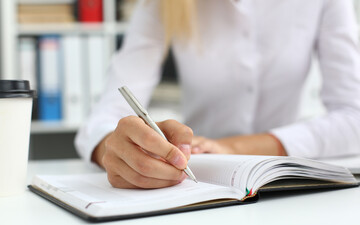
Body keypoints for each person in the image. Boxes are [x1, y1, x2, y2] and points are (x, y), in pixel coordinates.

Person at [75, 0, 360, 189]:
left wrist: (234, 148)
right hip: (199, 179)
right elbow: (102, 119)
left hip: (287, 182)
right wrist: (114, 151)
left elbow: (354, 115)